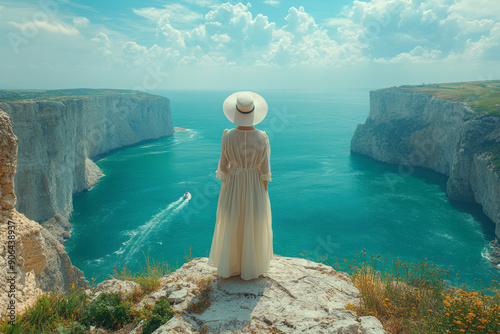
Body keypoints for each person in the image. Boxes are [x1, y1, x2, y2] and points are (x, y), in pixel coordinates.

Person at [207, 91, 273, 280]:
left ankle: (232, 265)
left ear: (236, 112)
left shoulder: (227, 136)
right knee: (253, 222)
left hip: (233, 184)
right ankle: (251, 266)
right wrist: (263, 194)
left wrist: (229, 187)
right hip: (254, 185)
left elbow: (222, 168)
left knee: (232, 222)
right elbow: (265, 171)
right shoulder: (263, 137)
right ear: (253, 113)